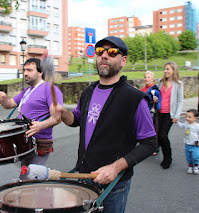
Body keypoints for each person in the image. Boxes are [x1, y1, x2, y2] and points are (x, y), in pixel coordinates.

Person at [53, 36, 157, 212]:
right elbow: (76, 120)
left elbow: (150, 143)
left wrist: (115, 168)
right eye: (100, 51)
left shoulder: (135, 98)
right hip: (83, 175)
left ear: (123, 60)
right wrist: (63, 113)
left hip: (114, 183)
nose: (104, 56)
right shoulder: (88, 91)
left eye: (112, 52)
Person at [0, 57, 63, 180]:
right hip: (25, 142)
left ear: (40, 72)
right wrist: (3, 98)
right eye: (24, 70)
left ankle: (41, 198)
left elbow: (57, 118)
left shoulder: (50, 89)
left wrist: (40, 126)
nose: (25, 73)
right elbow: (9, 104)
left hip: (39, 142)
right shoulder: (27, 91)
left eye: (29, 70)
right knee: (26, 177)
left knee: (29, 179)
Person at [157, 62, 184, 169]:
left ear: (173, 70)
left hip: (170, 114)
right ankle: (163, 155)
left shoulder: (178, 84)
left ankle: (168, 158)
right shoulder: (160, 81)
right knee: (159, 136)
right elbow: (156, 94)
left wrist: (177, 115)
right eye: (165, 69)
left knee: (163, 135)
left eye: (168, 69)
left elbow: (180, 101)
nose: (165, 71)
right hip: (159, 112)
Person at [176, 109, 199, 174]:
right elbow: (181, 126)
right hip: (187, 144)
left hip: (195, 145)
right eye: (186, 116)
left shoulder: (197, 126)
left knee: (196, 156)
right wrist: (177, 122)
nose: (187, 118)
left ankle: (196, 166)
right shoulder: (186, 123)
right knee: (188, 157)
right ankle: (190, 166)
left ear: (195, 118)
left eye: (189, 117)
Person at [141, 71, 162, 156]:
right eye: (145, 77)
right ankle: (146, 146)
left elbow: (158, 102)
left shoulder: (154, 89)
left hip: (151, 112)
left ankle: (155, 147)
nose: (146, 79)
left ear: (152, 79)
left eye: (149, 77)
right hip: (143, 112)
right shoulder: (142, 89)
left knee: (153, 131)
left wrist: (155, 103)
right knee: (145, 130)